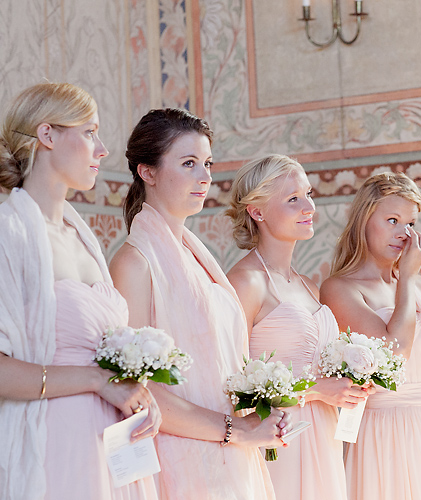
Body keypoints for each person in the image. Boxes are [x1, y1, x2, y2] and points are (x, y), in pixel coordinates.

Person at [109, 109, 290, 500]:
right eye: (188, 163)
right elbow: (134, 389)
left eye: (206, 163)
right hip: (181, 462)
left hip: (230, 457)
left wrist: (257, 407)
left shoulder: (196, 254)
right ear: (148, 171)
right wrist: (236, 429)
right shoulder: (135, 263)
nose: (205, 177)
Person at [0, 82, 160, 500]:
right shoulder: (8, 232)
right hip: (58, 443)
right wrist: (96, 380)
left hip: (113, 444)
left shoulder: (82, 235)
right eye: (89, 132)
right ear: (47, 135)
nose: (102, 149)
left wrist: (139, 392)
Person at [320, 172, 421, 500]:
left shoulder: (419, 286)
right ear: (364, 220)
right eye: (392, 220)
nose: (404, 234)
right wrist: (406, 275)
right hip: (385, 432)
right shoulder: (340, 289)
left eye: (410, 223)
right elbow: (394, 356)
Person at [225, 153, 370, 500]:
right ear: (257, 212)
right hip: (278, 438)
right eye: (293, 199)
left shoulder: (308, 286)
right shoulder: (245, 282)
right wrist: (317, 389)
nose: (309, 207)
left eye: (308, 195)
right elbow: (232, 381)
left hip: (323, 434)